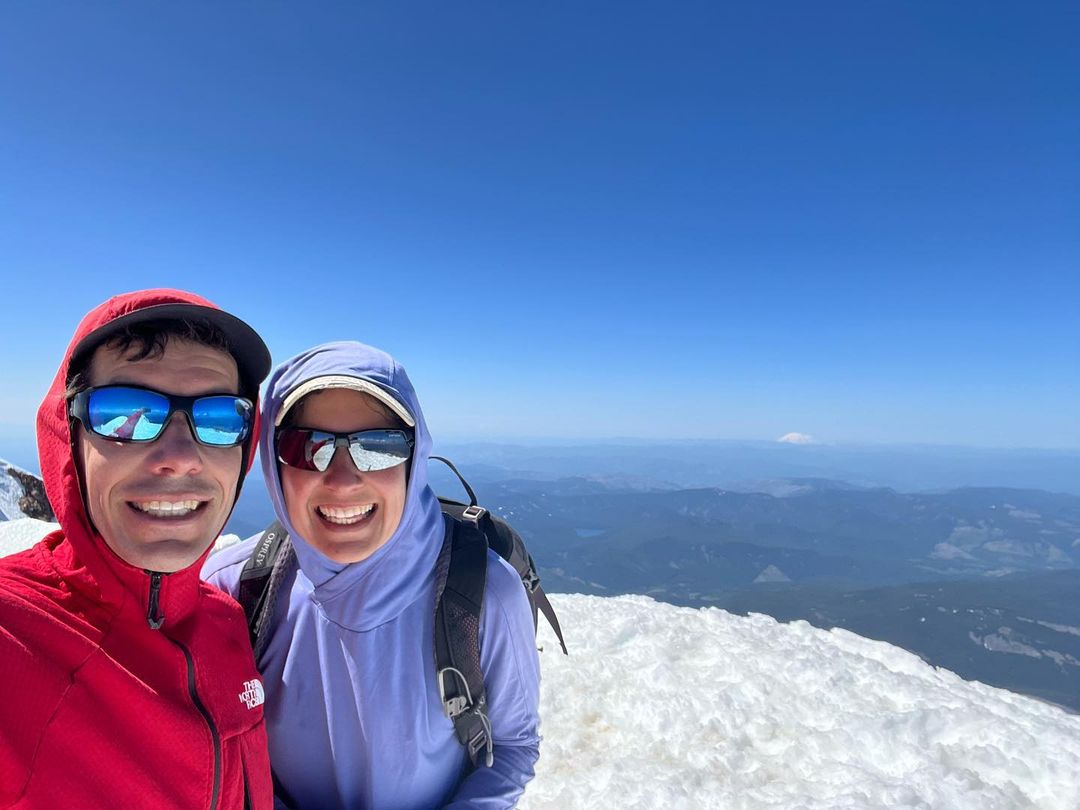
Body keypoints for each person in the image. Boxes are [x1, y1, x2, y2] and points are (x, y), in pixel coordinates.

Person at [204, 341, 541, 810]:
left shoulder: (486, 591)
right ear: (272, 461)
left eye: (378, 448)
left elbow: (512, 744)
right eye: (308, 446)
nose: (343, 480)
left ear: (415, 457)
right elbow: (214, 745)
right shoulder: (234, 588)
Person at [0, 289, 275, 809]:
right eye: (126, 412)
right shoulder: (15, 634)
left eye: (219, 417)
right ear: (70, 433)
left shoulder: (227, 622)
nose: (179, 457)